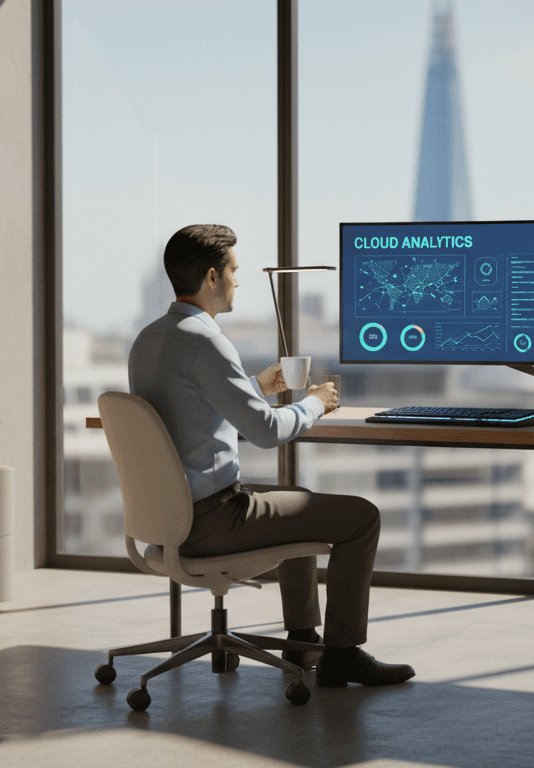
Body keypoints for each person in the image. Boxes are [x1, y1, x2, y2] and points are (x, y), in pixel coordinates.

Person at [128, 224, 414, 687]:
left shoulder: (149, 340)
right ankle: (342, 654)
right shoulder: (206, 340)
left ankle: (304, 641)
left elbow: (188, 420)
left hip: (167, 523)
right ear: (211, 278)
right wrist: (317, 402)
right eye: (234, 271)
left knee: (296, 498)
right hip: (211, 522)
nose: (239, 281)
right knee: (361, 517)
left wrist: (255, 388)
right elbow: (264, 432)